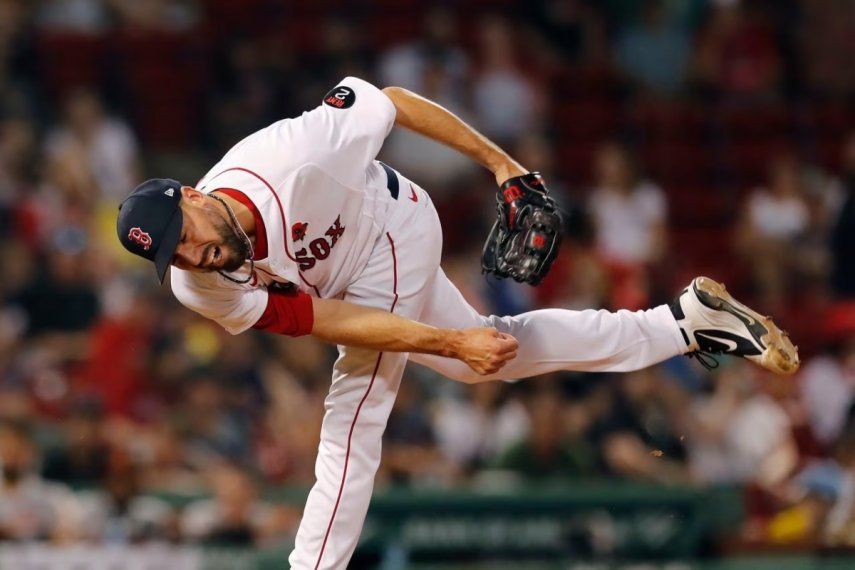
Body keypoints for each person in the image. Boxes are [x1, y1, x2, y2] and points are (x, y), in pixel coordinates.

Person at [116, 76, 799, 569]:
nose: (189, 249)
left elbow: (392, 101)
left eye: (184, 229)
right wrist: (449, 342)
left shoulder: (295, 156)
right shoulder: (195, 283)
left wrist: (501, 166)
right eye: (173, 250)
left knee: (354, 411)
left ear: (195, 193)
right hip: (342, 283)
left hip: (390, 225)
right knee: (493, 352)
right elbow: (322, 318)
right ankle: (683, 323)